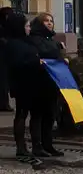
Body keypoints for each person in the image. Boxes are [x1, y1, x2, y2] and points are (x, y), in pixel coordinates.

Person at [3, 10, 42, 161]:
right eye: (26, 26)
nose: (29, 28)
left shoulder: (27, 40)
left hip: (32, 82)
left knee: (33, 114)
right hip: (22, 84)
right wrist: (35, 62)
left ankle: (35, 145)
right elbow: (17, 64)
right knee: (21, 114)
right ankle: (21, 147)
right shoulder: (13, 44)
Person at [28, 13, 65, 157]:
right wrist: (57, 47)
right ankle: (37, 146)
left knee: (50, 114)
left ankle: (48, 145)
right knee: (38, 115)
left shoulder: (51, 38)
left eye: (51, 21)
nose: (50, 24)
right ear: (39, 23)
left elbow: (55, 55)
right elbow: (45, 52)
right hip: (38, 82)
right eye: (46, 21)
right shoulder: (35, 39)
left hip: (51, 82)